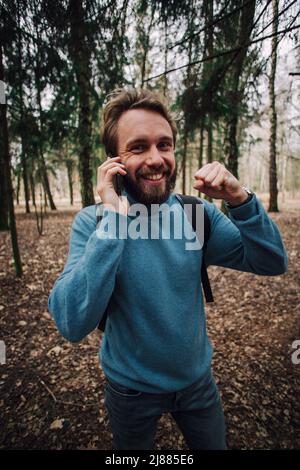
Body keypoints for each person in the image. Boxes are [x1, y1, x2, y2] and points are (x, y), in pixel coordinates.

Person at [48, 88, 288, 450]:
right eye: (139, 147)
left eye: (165, 144)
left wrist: (240, 200)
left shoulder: (196, 215)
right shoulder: (93, 223)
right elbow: (71, 322)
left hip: (197, 385)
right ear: (113, 160)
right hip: (129, 391)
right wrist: (114, 221)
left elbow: (272, 261)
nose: (156, 158)